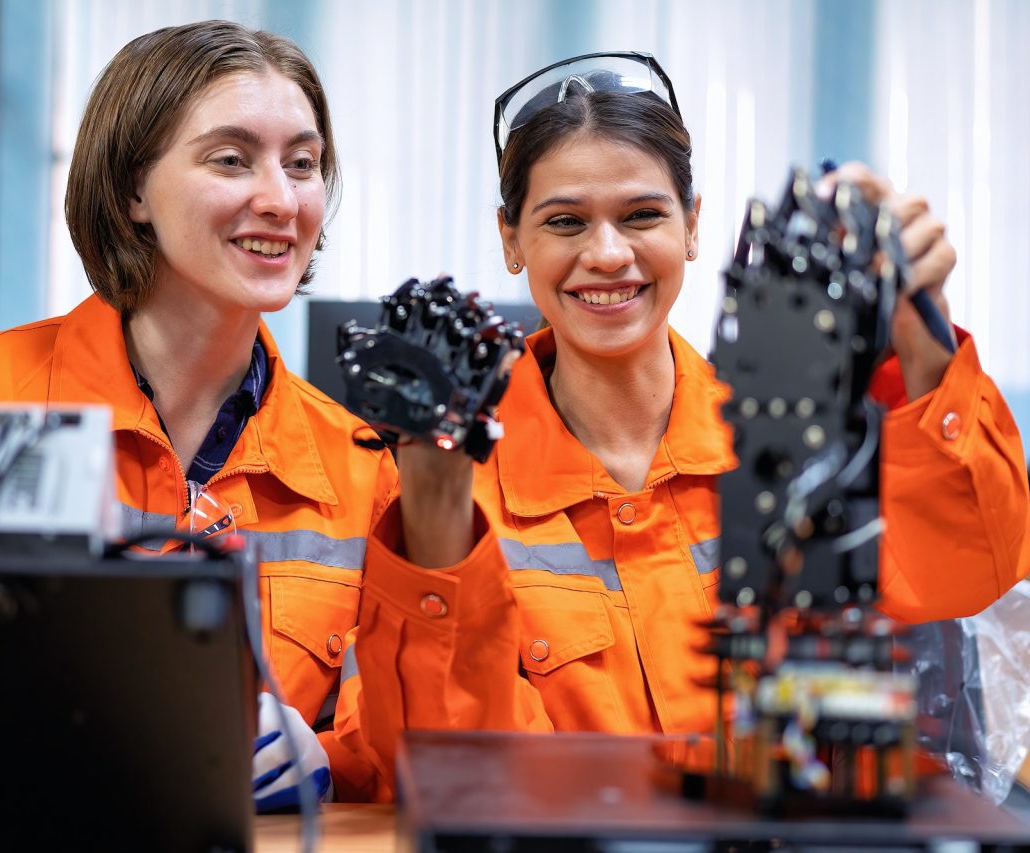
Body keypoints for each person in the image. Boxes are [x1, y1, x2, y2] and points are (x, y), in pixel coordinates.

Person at [328, 52, 1030, 802]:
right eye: (565, 221)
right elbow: (440, 758)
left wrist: (921, 344)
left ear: (692, 225)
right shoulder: (446, 484)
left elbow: (973, 573)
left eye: (643, 215)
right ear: (511, 240)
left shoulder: (800, 445)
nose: (607, 254)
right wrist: (436, 513)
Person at [0, 21, 397, 809]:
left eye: (303, 164)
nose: (280, 198)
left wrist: (325, 755)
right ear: (133, 191)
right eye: (232, 159)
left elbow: (400, 741)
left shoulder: (362, 466)